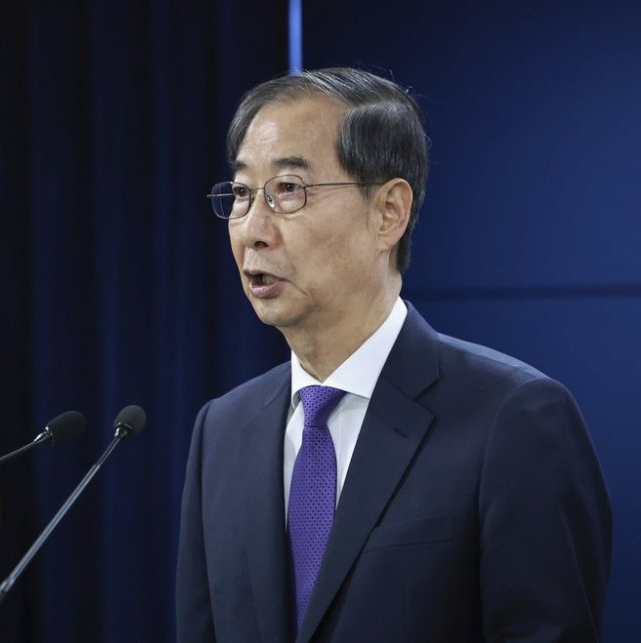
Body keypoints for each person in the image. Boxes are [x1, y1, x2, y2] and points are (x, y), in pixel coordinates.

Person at [176, 68, 612, 643]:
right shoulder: (222, 431)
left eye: (288, 190)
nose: (252, 229)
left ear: (388, 212)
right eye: (240, 194)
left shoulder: (514, 420)